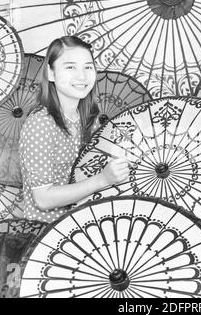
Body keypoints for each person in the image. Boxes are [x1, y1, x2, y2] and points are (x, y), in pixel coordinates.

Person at [19, 36, 130, 223]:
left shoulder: (88, 118)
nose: (82, 76)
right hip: (48, 231)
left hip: (86, 223)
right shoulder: (41, 124)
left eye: (88, 67)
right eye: (70, 67)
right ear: (51, 73)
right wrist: (103, 179)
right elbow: (43, 199)